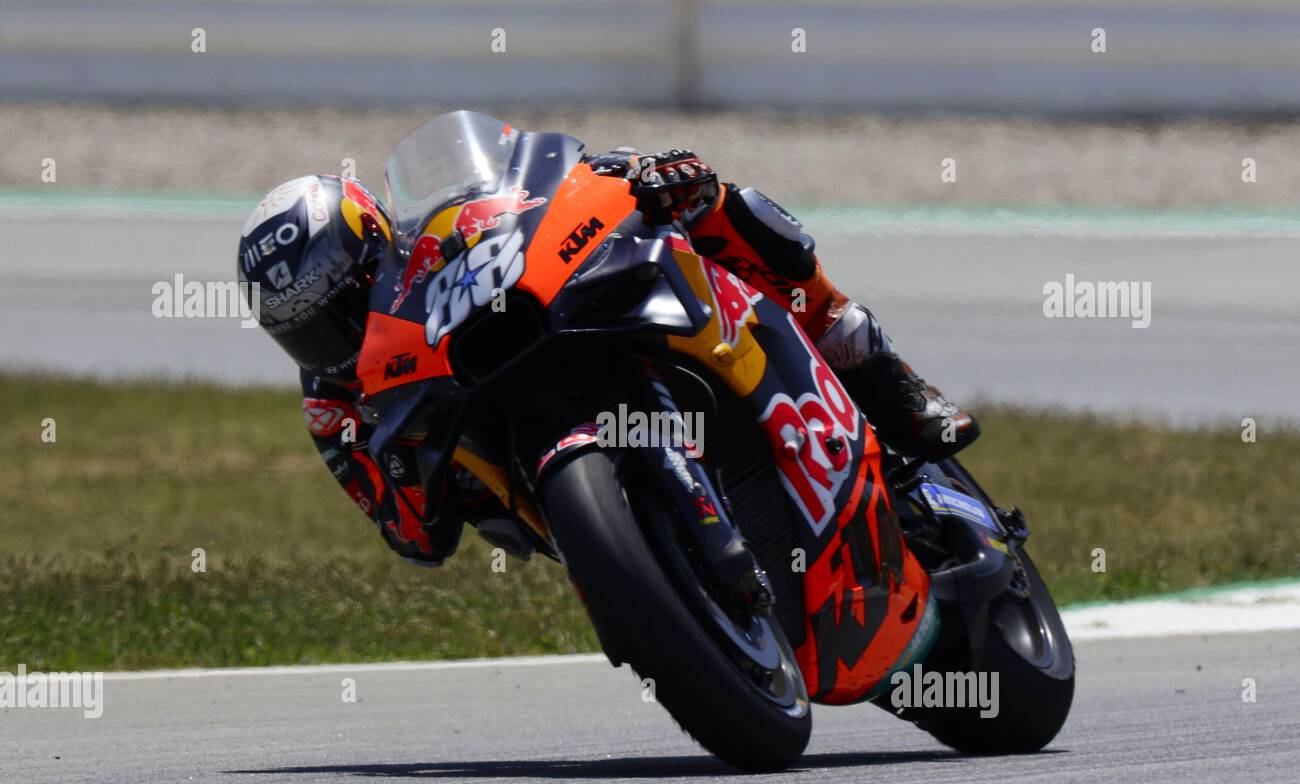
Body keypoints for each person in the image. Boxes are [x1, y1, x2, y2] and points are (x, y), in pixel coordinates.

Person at [236, 149, 978, 566]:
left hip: (554, 337)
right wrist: (399, 461)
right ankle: (669, 591)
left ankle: (881, 371)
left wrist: (642, 174)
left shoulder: (435, 242)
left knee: (715, 203)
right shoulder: (333, 406)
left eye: (346, 301)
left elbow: (552, 185)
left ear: (378, 244)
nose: (336, 335)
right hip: (524, 481)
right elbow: (416, 539)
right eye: (308, 331)